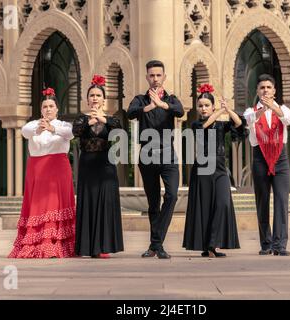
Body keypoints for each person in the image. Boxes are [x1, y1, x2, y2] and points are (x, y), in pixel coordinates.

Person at [8, 88, 76, 259]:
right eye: (45, 106)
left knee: (56, 204)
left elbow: (70, 134)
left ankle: (58, 243)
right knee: (38, 205)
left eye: (51, 106)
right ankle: (36, 243)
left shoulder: (63, 125)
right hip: (37, 171)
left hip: (58, 170)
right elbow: (24, 132)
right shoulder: (33, 125)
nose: (48, 109)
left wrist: (52, 128)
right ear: (41, 109)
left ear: (57, 109)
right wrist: (39, 129)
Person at [127, 60, 184, 259]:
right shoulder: (140, 100)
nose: (155, 79)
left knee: (171, 196)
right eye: (152, 75)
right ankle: (157, 246)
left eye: (159, 75)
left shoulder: (171, 99)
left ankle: (155, 243)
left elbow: (180, 111)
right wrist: (149, 107)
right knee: (153, 203)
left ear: (164, 77)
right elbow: (130, 113)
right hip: (147, 154)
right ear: (147, 77)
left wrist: (162, 104)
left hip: (168, 153)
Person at [183, 84, 247, 257]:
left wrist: (228, 109)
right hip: (202, 169)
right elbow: (204, 127)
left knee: (223, 202)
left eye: (206, 105)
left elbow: (239, 124)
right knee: (205, 207)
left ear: (212, 106)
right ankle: (209, 247)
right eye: (201, 105)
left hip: (219, 169)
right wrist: (219, 112)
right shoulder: (196, 124)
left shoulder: (220, 124)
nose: (203, 109)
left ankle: (213, 243)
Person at [73, 75, 124, 259]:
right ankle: (88, 247)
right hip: (87, 166)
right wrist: (90, 121)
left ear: (104, 99)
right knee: (89, 203)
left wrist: (102, 119)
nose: (95, 98)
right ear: (87, 99)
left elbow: (120, 131)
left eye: (98, 95)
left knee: (105, 203)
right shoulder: (81, 119)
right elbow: (75, 132)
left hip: (106, 166)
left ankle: (104, 246)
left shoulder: (111, 120)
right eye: (92, 95)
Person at [243, 74, 290, 256]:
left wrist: (273, 108)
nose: (265, 90)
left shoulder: (284, 109)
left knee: (281, 201)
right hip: (260, 159)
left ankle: (280, 245)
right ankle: (266, 243)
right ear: (257, 91)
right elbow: (249, 121)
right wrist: (263, 110)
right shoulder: (251, 111)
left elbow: (288, 120)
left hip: (280, 159)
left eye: (268, 87)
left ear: (274, 90)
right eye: (262, 87)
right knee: (262, 201)